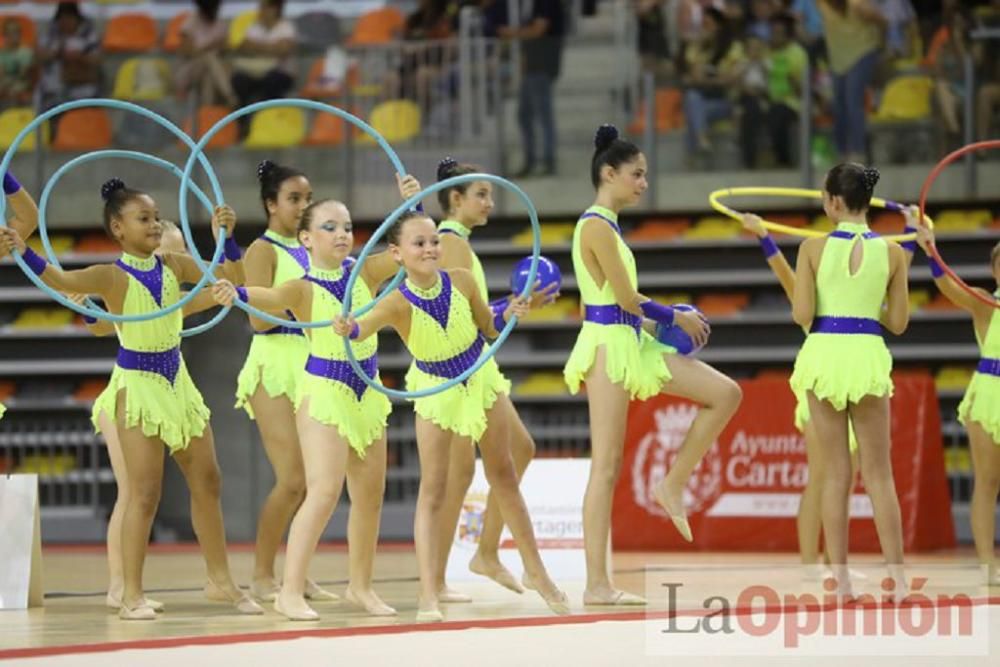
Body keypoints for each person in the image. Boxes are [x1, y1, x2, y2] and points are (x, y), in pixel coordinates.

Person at [0, 178, 259, 620]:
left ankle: (221, 581)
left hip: (178, 383)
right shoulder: (111, 274)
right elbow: (62, 279)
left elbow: (232, 280)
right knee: (143, 492)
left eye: (157, 217)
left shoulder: (174, 265)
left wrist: (228, 238)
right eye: (145, 219)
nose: (156, 224)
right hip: (137, 384)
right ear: (118, 228)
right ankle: (131, 594)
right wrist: (22, 250)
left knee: (209, 479)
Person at [332, 210, 570, 622]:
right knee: (434, 490)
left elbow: (487, 326)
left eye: (433, 242)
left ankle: (538, 572)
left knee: (505, 474)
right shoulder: (395, 300)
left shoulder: (461, 278)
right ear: (397, 253)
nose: (429, 249)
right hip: (435, 392)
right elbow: (364, 326)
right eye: (419, 243)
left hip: (479, 377)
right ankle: (428, 593)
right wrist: (348, 328)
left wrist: (508, 312)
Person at [565, 125, 740, 605]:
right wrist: (675, 315)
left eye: (645, 175)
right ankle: (596, 584)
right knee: (606, 466)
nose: (644, 183)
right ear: (609, 173)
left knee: (726, 393)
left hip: (629, 337)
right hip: (607, 346)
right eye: (636, 175)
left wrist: (657, 329)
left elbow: (618, 303)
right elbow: (622, 298)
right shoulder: (596, 224)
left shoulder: (609, 225)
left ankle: (673, 482)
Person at [789, 163, 909, 598]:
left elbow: (801, 314)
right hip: (866, 353)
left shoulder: (812, 249)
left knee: (835, 473)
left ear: (835, 202)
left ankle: (838, 581)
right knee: (880, 475)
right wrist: (863, 309)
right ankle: (897, 578)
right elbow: (898, 321)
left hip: (824, 354)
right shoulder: (893, 252)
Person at [914, 225, 1000, 585]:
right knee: (988, 481)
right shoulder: (985, 301)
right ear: (995, 270)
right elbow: (948, 287)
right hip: (989, 392)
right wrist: (931, 251)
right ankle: (986, 564)